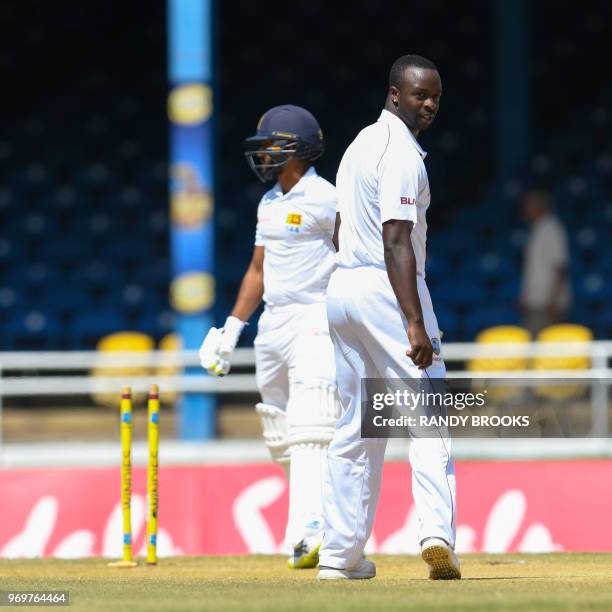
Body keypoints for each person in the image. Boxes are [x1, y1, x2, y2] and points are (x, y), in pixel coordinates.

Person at [317, 55, 460, 581]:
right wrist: (414, 323)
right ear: (394, 94)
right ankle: (436, 534)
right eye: (420, 95)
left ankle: (341, 558)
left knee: (356, 428)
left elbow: (339, 226)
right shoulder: (401, 153)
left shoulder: (357, 145)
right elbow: (396, 239)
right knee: (428, 417)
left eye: (436, 97)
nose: (429, 105)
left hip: (344, 289)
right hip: (384, 289)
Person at [199, 105, 340, 569]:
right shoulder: (269, 202)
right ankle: (318, 513)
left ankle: (310, 526)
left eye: (272, 146)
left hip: (316, 316)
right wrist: (230, 330)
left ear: (297, 149)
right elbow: (258, 269)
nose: (264, 156)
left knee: (312, 418)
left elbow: (357, 255)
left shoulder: (326, 197)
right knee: (278, 429)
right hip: (274, 324)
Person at [520, 189, 572, 335]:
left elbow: (561, 266)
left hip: (547, 303)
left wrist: (553, 299)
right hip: (536, 302)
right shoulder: (537, 229)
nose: (525, 209)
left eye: (528, 205)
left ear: (540, 206)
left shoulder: (552, 229)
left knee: (546, 348)